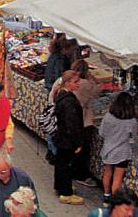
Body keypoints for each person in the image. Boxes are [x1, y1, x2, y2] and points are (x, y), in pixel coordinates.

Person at [54, 70, 87, 205]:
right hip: (67, 140)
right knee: (66, 165)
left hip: (61, 137)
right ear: (68, 83)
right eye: (76, 82)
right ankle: (66, 193)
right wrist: (78, 142)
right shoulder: (69, 101)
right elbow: (72, 124)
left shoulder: (61, 95)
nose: (78, 84)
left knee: (61, 163)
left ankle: (61, 186)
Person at [100, 92, 138, 202]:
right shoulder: (132, 121)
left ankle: (106, 195)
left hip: (108, 150)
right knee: (117, 178)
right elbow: (133, 135)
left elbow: (101, 132)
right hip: (122, 153)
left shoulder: (108, 117)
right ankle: (115, 200)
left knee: (107, 173)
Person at [68, 59, 101, 187]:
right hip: (83, 121)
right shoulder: (86, 84)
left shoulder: (66, 81)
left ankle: (72, 170)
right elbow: (97, 91)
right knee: (82, 149)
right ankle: (80, 174)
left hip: (73, 120)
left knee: (75, 148)